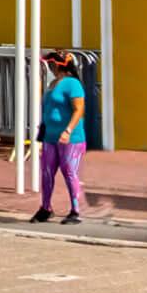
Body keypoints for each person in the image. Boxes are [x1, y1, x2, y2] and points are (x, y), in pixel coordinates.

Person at [30, 51, 89, 224]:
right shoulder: (52, 84)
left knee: (69, 171)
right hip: (50, 136)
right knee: (47, 171)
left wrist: (68, 130)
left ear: (61, 65)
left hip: (70, 138)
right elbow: (47, 110)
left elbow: (78, 109)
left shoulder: (73, 84)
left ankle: (75, 210)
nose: (50, 67)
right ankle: (46, 208)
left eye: (52, 64)